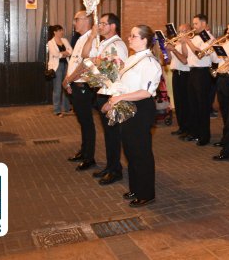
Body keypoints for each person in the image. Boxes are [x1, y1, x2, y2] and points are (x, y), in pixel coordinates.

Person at [101, 25, 161, 207]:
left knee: (141, 153)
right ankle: (136, 188)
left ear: (144, 40)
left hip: (141, 109)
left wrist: (120, 97)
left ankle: (146, 193)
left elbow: (146, 92)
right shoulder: (133, 58)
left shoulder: (150, 63)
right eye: (130, 35)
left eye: (134, 36)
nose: (129, 38)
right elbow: (123, 83)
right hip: (127, 106)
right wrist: (112, 98)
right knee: (130, 150)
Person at [82, 13, 129, 185]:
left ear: (113, 26)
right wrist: (92, 36)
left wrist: (98, 70)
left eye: (103, 24)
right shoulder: (103, 43)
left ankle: (116, 170)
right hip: (101, 91)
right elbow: (85, 54)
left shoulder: (118, 45)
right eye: (99, 23)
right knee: (108, 134)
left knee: (113, 134)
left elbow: (118, 71)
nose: (100, 26)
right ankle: (110, 166)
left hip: (111, 94)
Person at [63, 11, 97, 170]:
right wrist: (67, 78)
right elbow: (74, 62)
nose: (74, 22)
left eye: (76, 19)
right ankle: (84, 152)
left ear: (86, 20)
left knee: (87, 123)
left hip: (83, 86)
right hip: (75, 84)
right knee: (82, 122)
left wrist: (70, 79)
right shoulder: (81, 38)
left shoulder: (92, 39)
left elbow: (85, 65)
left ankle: (89, 157)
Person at [182, 14, 214, 146]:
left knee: (202, 106)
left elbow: (200, 54)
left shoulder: (208, 37)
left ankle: (204, 136)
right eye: (193, 24)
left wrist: (188, 41)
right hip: (192, 72)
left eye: (195, 24)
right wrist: (184, 42)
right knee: (193, 104)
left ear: (203, 23)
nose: (193, 26)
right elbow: (186, 54)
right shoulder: (194, 37)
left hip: (202, 73)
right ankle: (194, 132)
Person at [165, 23, 191, 137]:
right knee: (178, 103)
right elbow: (169, 60)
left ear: (189, 31)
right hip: (176, 73)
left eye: (184, 31)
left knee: (186, 103)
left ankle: (188, 128)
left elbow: (185, 60)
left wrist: (174, 50)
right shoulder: (177, 43)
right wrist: (167, 50)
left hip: (186, 75)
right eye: (180, 31)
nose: (181, 34)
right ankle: (181, 127)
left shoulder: (188, 43)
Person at [47, 25, 73, 116]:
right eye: (59, 30)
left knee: (66, 86)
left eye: (62, 30)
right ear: (55, 32)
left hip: (66, 65)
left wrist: (62, 54)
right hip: (56, 67)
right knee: (57, 88)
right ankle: (57, 110)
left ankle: (66, 107)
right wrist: (65, 54)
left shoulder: (64, 40)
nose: (61, 32)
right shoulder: (50, 42)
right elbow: (55, 54)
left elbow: (71, 51)